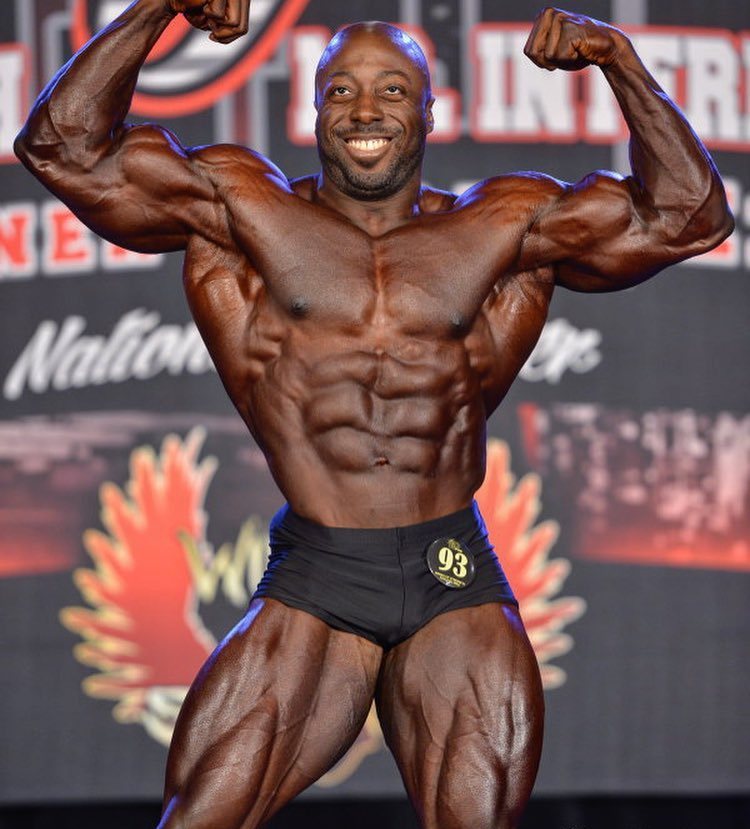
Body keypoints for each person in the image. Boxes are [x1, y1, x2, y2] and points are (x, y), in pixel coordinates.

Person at [15, 1, 732, 827]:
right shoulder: (240, 212)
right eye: (341, 91)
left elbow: (690, 215)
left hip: (449, 568)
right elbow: (60, 149)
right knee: (202, 816)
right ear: (313, 107)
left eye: (392, 91)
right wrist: (158, 8)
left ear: (430, 111)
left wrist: (619, 60)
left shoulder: (502, 224)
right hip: (321, 571)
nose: (365, 112)